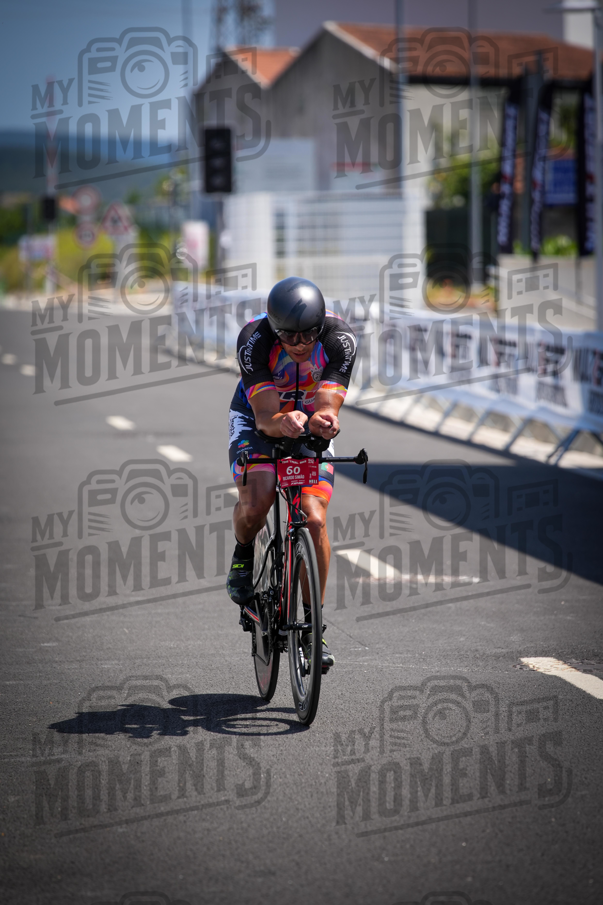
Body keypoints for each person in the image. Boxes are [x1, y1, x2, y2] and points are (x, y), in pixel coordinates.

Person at [226, 276, 357, 669]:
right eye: (289, 336)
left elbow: (328, 404)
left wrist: (326, 421)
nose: (300, 344)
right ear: (274, 326)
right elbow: (266, 416)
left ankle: (314, 629)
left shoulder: (340, 340)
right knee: (259, 498)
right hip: (257, 418)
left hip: (306, 420)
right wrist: (282, 421)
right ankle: (244, 553)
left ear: (320, 326)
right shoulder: (255, 339)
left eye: (308, 336)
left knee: (314, 518)